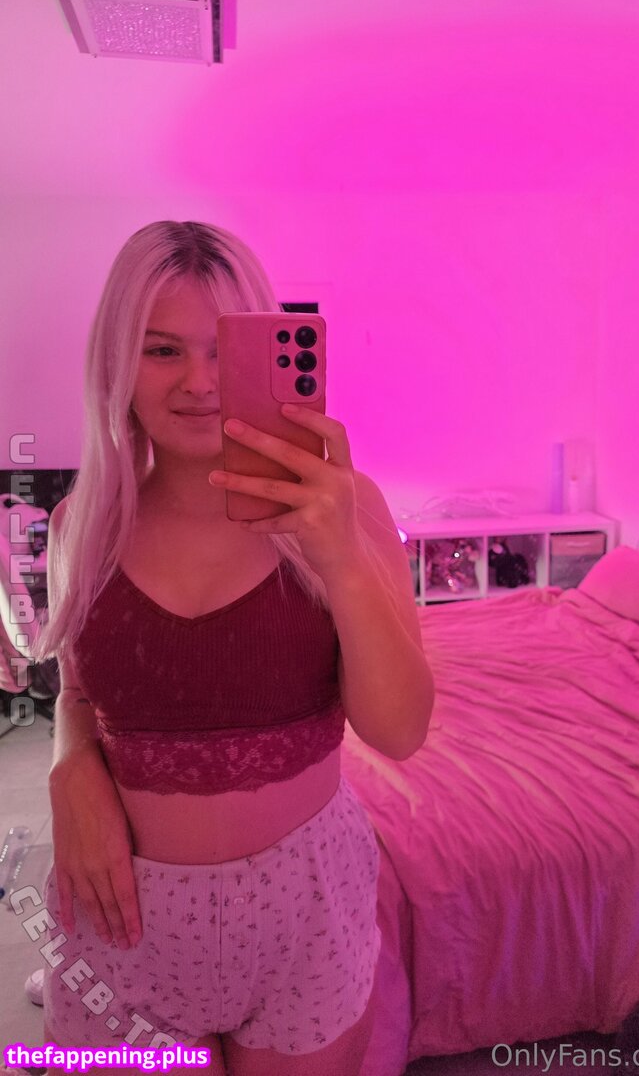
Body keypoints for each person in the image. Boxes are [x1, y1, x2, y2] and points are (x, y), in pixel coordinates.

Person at [30, 220, 435, 1076]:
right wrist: (71, 767)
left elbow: (400, 731)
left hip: (305, 912)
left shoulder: (346, 507)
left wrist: (340, 557)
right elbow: (78, 694)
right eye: (162, 350)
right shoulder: (80, 526)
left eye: (224, 350)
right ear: (117, 360)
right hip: (121, 920)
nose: (199, 382)